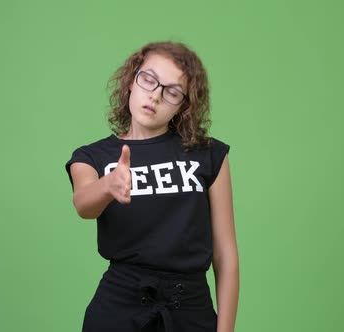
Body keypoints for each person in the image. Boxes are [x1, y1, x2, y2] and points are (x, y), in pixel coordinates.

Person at [65, 41, 239, 332]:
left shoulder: (209, 155)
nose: (155, 96)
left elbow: (225, 252)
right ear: (131, 81)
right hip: (119, 307)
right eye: (148, 79)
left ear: (184, 106)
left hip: (190, 309)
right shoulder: (92, 157)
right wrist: (109, 184)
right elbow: (83, 204)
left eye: (171, 92)